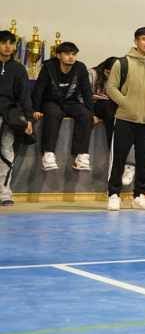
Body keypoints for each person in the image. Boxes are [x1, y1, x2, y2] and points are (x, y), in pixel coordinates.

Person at [106, 27, 145, 211]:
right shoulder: (122, 63)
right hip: (125, 118)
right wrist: (125, 103)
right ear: (136, 41)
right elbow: (111, 87)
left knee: (143, 160)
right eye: (144, 39)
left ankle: (139, 196)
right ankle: (114, 194)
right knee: (119, 158)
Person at [32, 41, 95, 171]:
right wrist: (36, 109)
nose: (71, 57)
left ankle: (81, 156)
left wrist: (91, 113)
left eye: (74, 54)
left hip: (70, 101)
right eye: (67, 54)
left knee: (85, 114)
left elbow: (86, 91)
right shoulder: (49, 66)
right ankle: (48, 154)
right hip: (50, 101)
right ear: (58, 55)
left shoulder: (80, 67)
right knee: (54, 113)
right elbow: (39, 89)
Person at [0, 30, 34, 207]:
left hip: (8, 116)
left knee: (6, 152)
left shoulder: (19, 69)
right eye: (3, 42)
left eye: (11, 43)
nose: (7, 46)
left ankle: (5, 193)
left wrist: (28, 119)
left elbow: (24, 96)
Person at [90, 57, 119, 144]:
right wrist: (91, 114)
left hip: (109, 104)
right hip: (93, 105)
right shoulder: (92, 74)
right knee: (108, 106)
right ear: (106, 72)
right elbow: (84, 96)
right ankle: (113, 146)